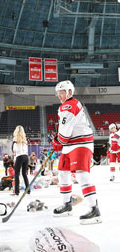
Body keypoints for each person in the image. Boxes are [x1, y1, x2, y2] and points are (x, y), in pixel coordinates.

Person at [52, 80, 101, 225]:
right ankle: (67, 204)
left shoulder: (69, 106)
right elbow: (65, 132)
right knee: (63, 172)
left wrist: (58, 140)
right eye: (58, 94)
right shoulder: (68, 105)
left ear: (69, 92)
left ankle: (94, 209)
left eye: (62, 93)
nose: (60, 96)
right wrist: (59, 139)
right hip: (71, 144)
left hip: (80, 144)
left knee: (81, 174)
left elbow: (65, 134)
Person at [12, 125, 29, 196]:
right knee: (24, 174)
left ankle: (17, 191)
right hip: (26, 156)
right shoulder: (25, 139)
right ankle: (28, 189)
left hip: (19, 156)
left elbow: (14, 149)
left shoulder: (15, 138)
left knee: (16, 174)